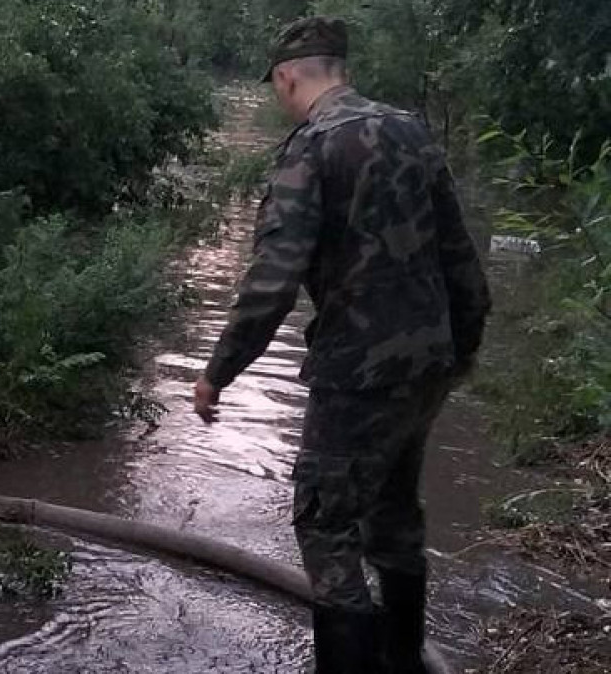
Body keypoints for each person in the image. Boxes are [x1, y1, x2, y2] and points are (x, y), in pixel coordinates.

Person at [192, 17, 492, 673]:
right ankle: (406, 663)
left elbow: (273, 281)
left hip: (357, 373)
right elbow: (460, 256)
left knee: (326, 528)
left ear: (287, 75)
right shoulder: (411, 131)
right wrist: (461, 347)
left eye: (276, 85)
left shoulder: (312, 149)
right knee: (395, 516)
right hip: (428, 364)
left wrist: (218, 372)